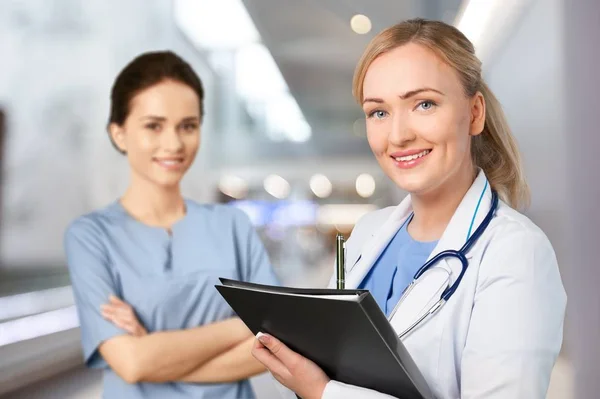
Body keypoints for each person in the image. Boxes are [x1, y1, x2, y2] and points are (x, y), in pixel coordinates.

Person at [250, 18, 567, 399]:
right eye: (378, 112)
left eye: (424, 104)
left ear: (475, 113)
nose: (398, 135)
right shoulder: (370, 232)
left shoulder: (515, 253)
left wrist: (322, 392)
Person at [64, 50, 279, 399]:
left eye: (188, 126)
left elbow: (280, 343)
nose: (174, 143)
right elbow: (131, 363)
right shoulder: (91, 237)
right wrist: (242, 327)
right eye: (154, 125)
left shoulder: (233, 226)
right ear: (118, 134)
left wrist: (154, 353)